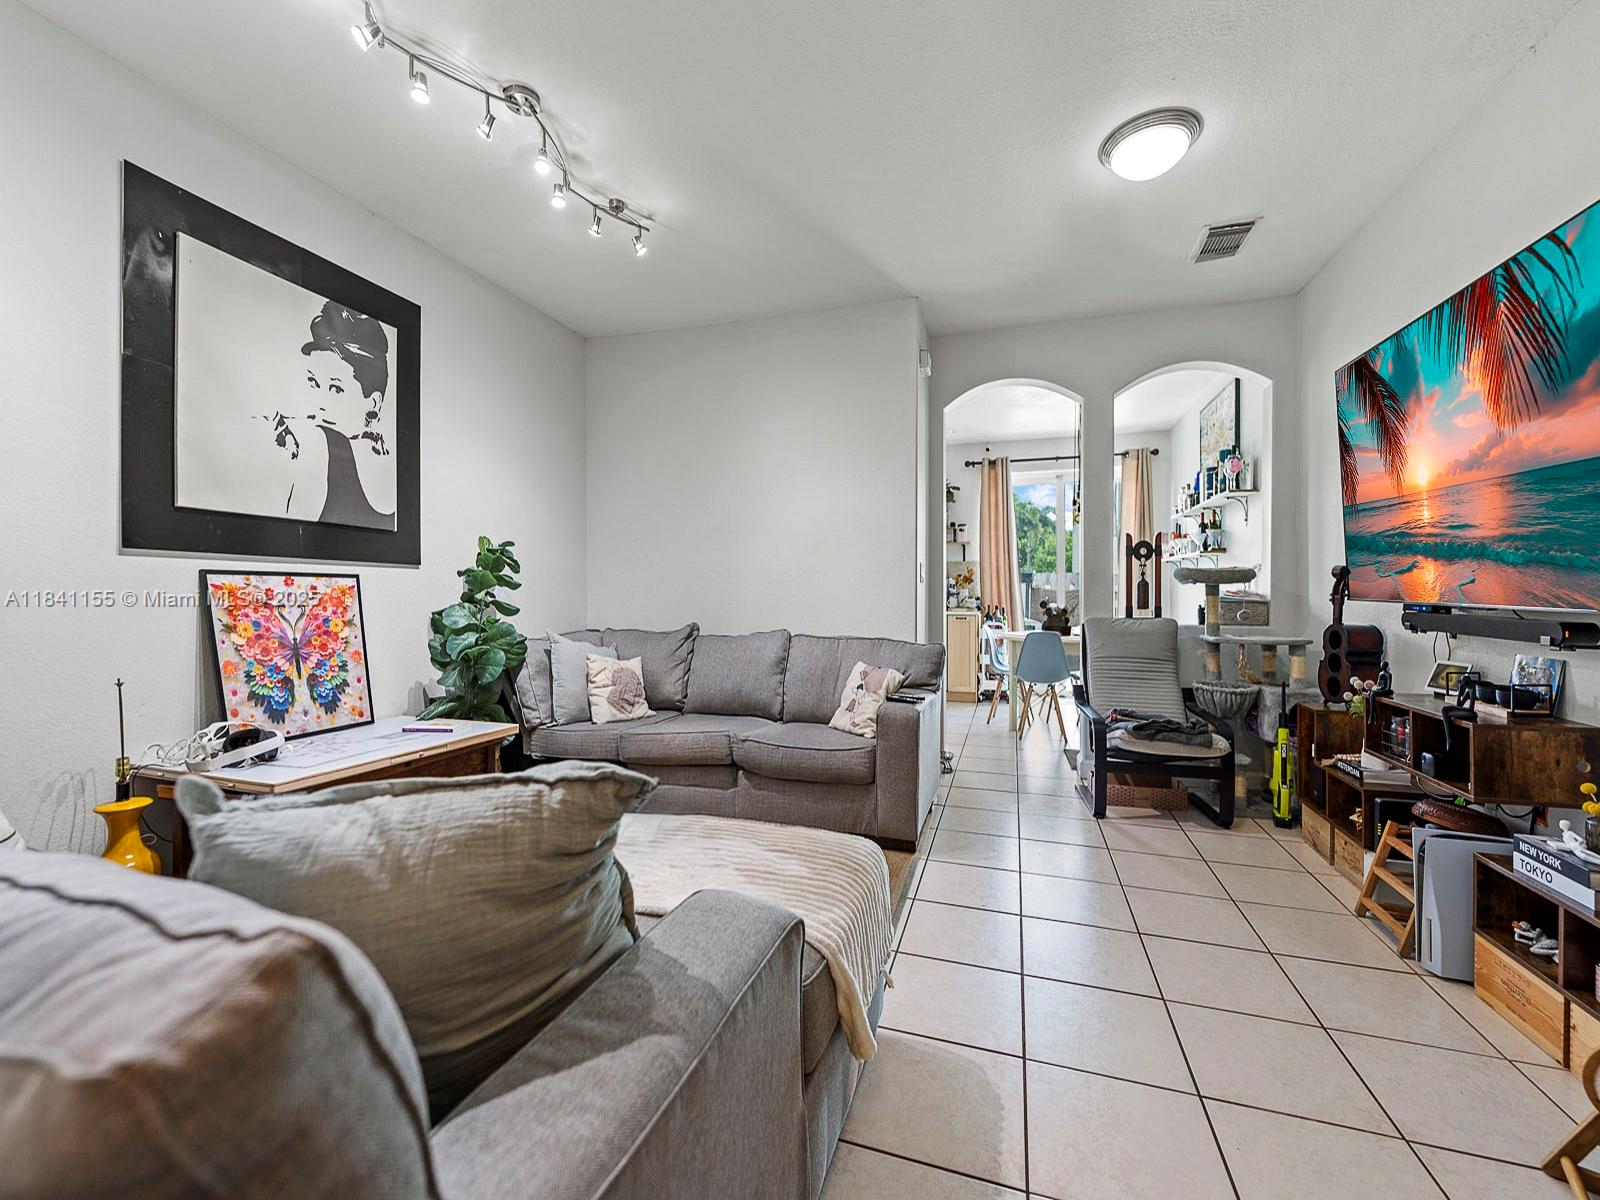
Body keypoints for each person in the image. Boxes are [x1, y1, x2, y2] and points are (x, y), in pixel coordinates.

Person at [262, 300, 396, 530]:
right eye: (313, 383)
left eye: (336, 389)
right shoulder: (388, 467)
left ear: (373, 404)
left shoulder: (319, 443)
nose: (320, 403)